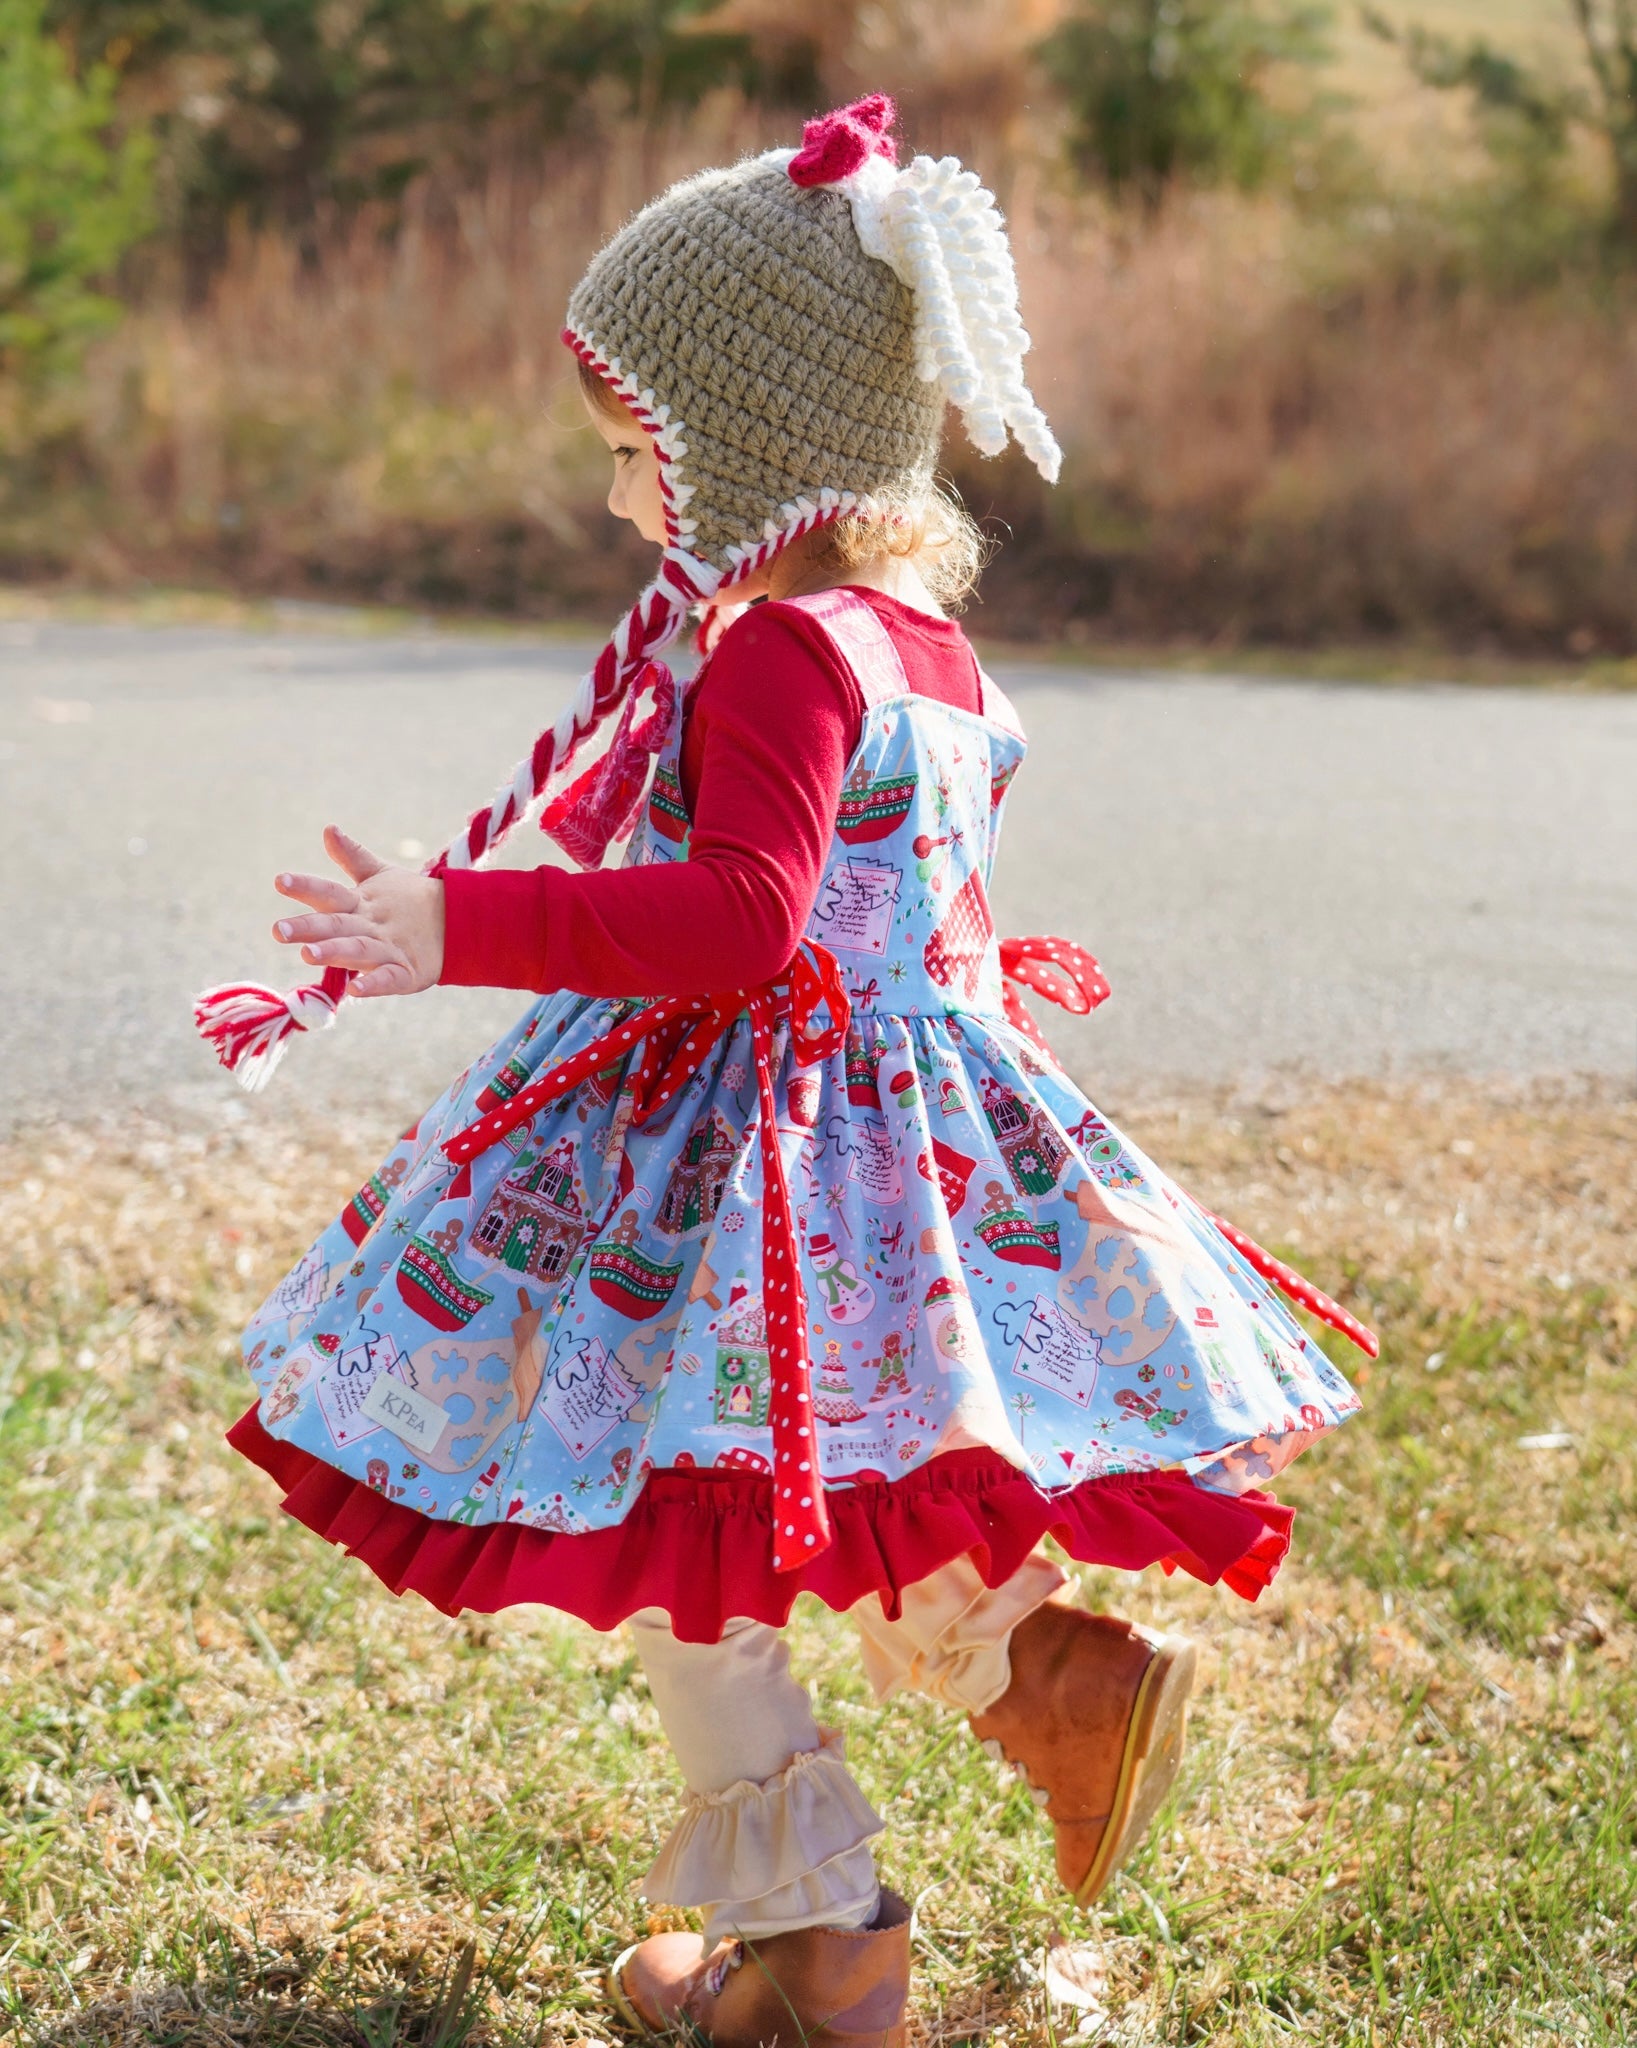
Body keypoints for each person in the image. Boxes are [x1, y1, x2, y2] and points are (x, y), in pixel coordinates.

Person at [203, 95, 1371, 2048]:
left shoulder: (773, 653)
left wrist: (454, 924)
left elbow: (745, 918)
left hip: (742, 1169)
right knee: (852, 1490)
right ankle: (1056, 1686)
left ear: (747, 446)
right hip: (889, 1160)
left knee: (698, 1562)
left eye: (632, 454)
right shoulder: (919, 638)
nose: (615, 503)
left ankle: (822, 1951)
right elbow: (887, 901)